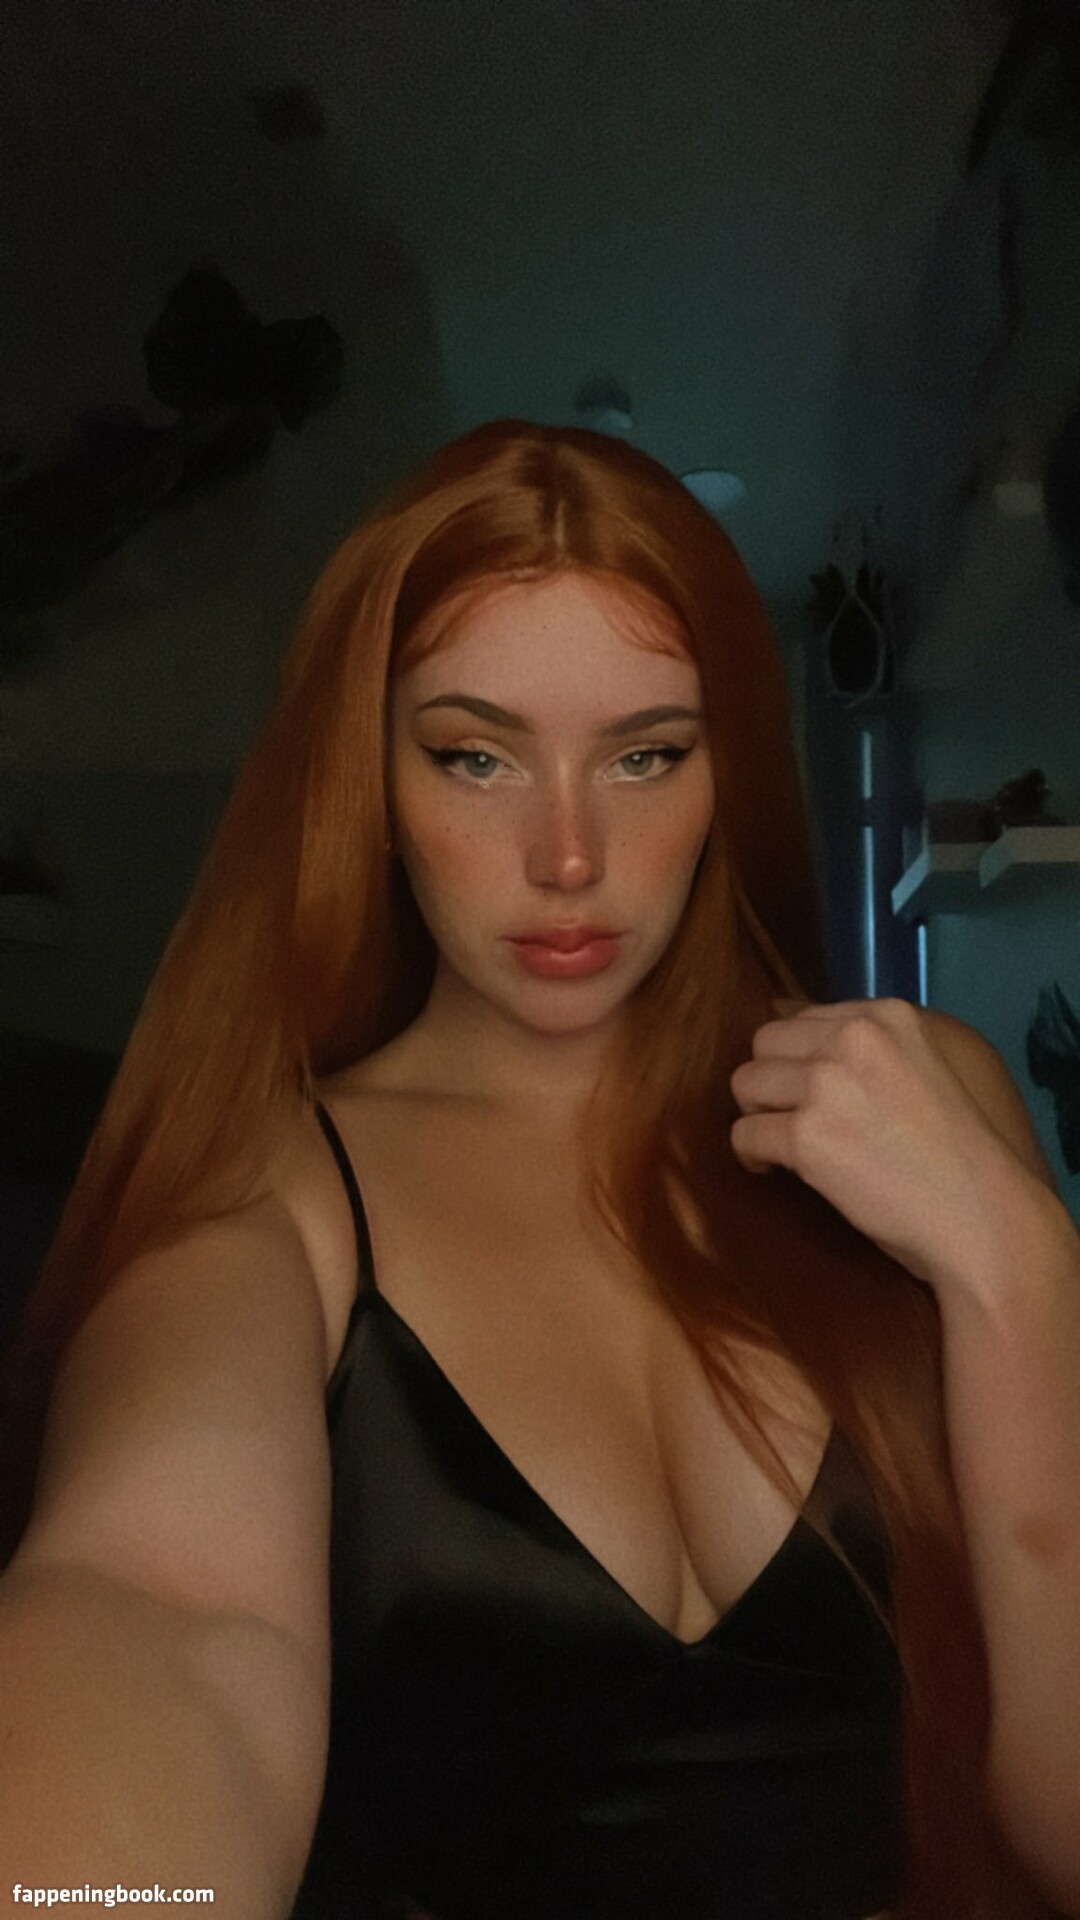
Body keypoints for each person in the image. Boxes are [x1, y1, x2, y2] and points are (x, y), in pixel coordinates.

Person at [1, 419, 1078, 1920]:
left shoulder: (923, 1103)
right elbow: (156, 1609)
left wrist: (1024, 1267)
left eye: (646, 755)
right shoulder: (273, 1204)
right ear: (372, 780)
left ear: (726, 770)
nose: (569, 856)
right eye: (476, 756)